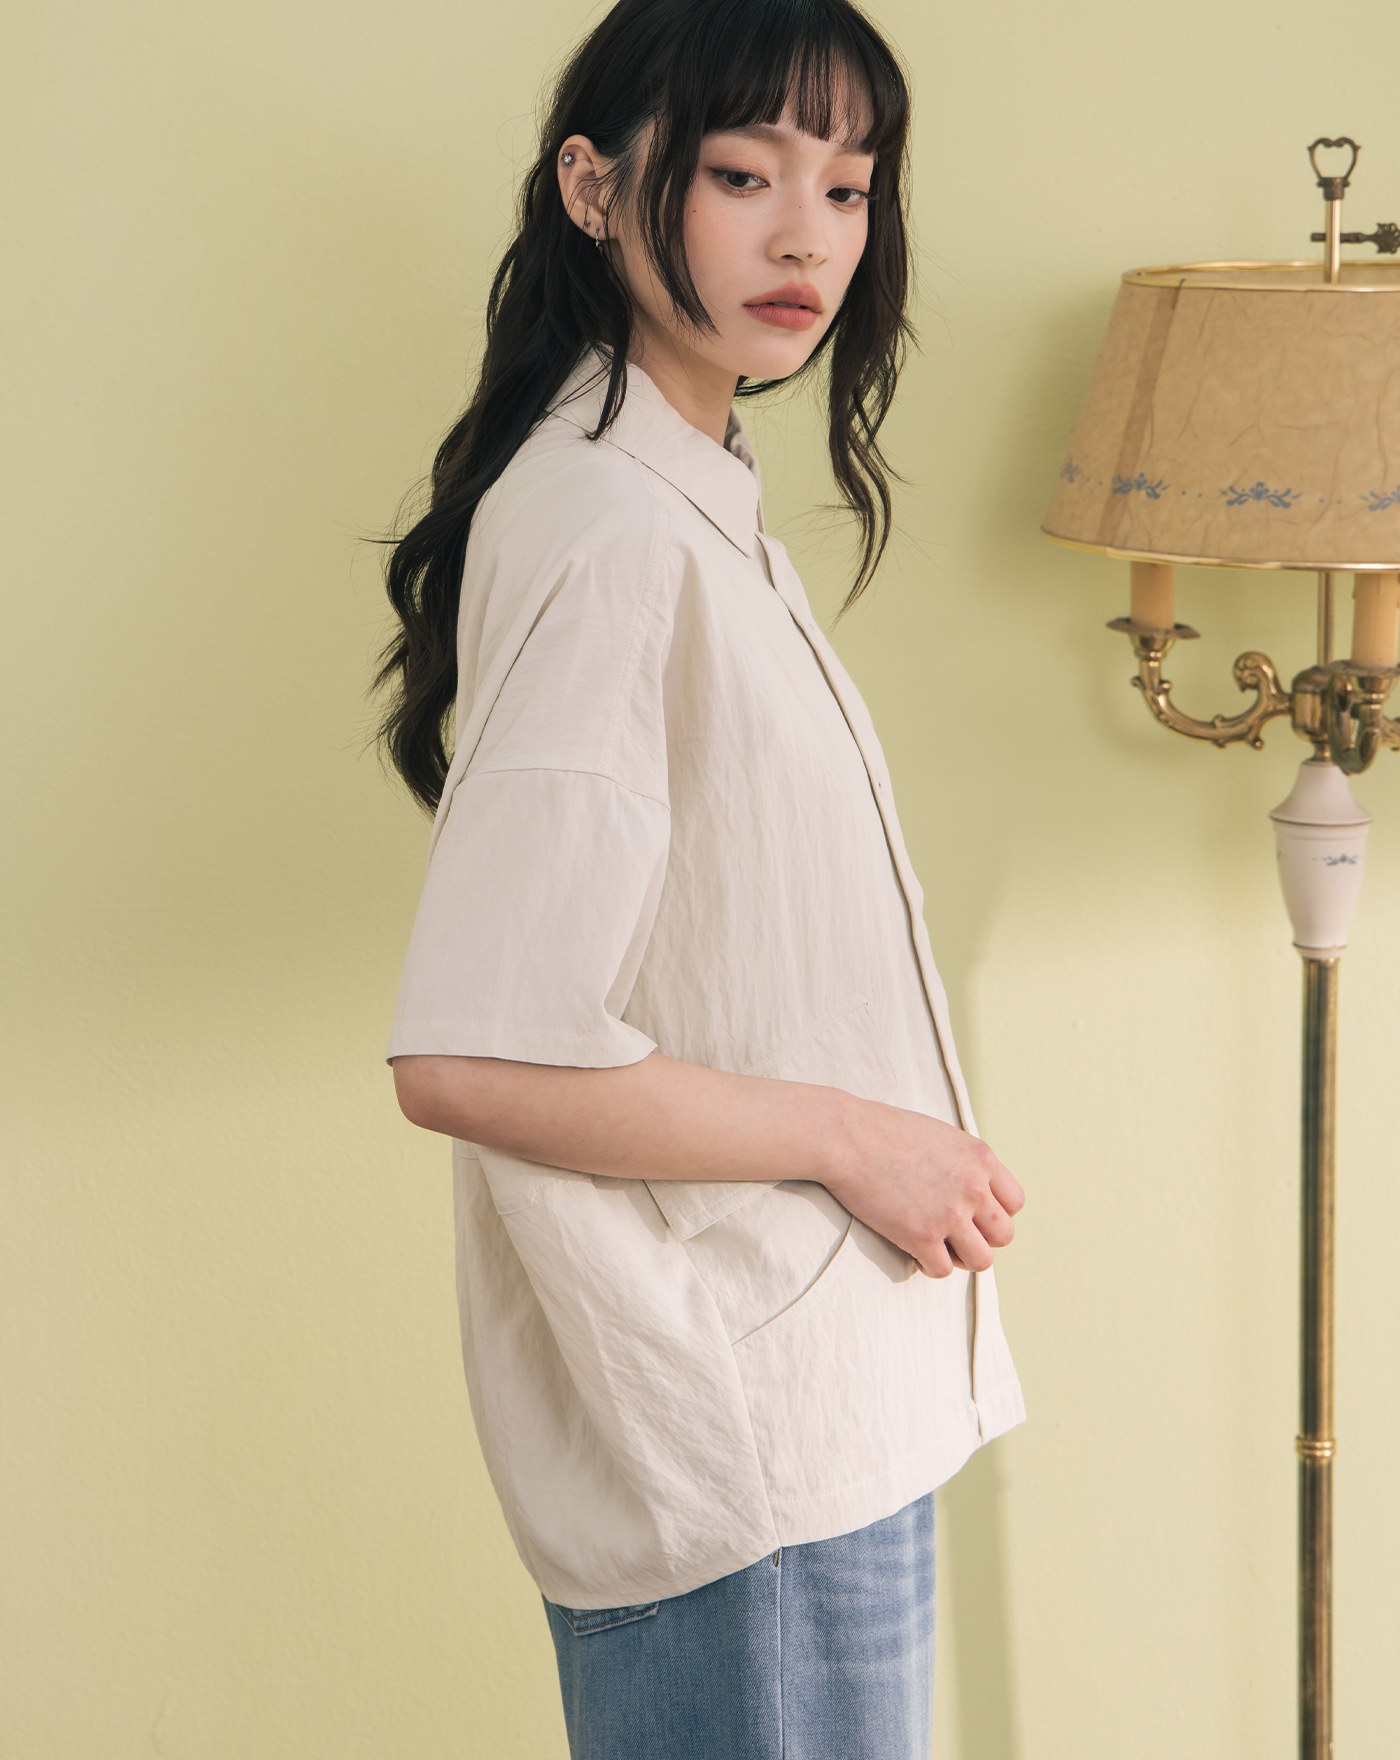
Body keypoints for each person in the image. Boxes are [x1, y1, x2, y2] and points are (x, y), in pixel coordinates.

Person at [370, 1, 1027, 1753]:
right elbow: (471, 1053)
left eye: (848, 187)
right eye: (745, 176)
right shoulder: (610, 531)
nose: (807, 236)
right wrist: (857, 1138)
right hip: (749, 1457)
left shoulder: (686, 501)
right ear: (593, 188)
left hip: (808, 1421)